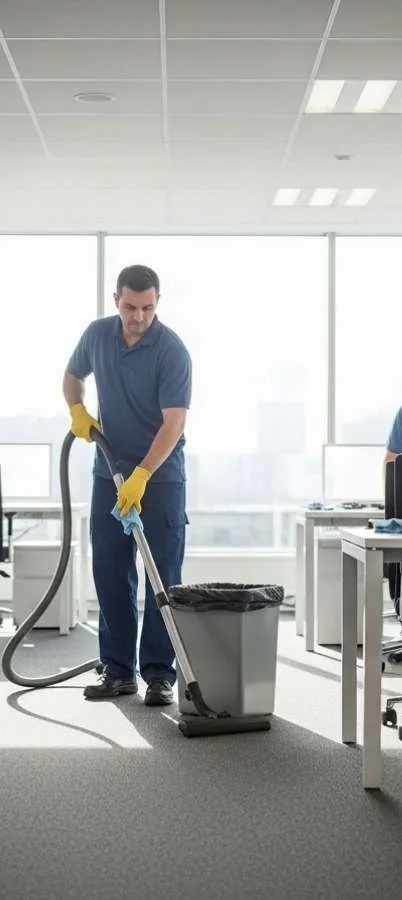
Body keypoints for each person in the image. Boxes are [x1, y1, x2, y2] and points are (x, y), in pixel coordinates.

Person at [64, 264, 192, 704]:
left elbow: (174, 422)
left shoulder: (172, 349)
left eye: (148, 308)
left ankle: (159, 674)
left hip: (160, 479)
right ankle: (118, 670)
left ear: (158, 302)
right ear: (115, 297)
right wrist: (77, 409)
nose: (139, 316)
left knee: (162, 577)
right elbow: (72, 375)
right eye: (130, 306)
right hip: (108, 471)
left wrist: (142, 475)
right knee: (111, 573)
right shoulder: (97, 335)